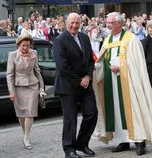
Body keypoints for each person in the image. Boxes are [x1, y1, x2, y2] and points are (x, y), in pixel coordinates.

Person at [93, 12, 152, 156]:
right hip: (111, 82)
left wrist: (120, 66)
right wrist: (94, 68)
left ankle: (139, 141)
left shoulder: (131, 39)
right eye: (107, 23)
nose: (107, 25)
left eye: (110, 23)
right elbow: (102, 60)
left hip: (129, 82)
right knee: (117, 111)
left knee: (132, 109)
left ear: (119, 24)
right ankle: (123, 140)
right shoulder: (107, 40)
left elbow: (137, 63)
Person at [53, 12, 98, 158]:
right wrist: (79, 80)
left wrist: (88, 76)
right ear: (66, 23)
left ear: (80, 23)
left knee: (92, 113)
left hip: (85, 83)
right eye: (72, 22)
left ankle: (82, 144)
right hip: (68, 85)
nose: (74, 25)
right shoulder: (60, 40)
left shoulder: (84, 37)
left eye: (77, 23)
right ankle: (69, 149)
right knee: (70, 118)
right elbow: (62, 66)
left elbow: (91, 61)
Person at [6, 34, 44, 150]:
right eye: (23, 46)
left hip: (32, 86)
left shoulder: (34, 53)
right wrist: (11, 91)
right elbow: (9, 75)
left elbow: (37, 71)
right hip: (18, 87)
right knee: (21, 114)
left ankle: (26, 137)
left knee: (30, 113)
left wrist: (41, 87)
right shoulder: (12, 55)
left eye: (27, 45)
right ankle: (24, 134)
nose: (25, 48)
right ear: (18, 45)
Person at [141, 20, 152, 86]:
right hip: (150, 69)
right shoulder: (145, 41)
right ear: (147, 29)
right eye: (151, 27)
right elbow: (143, 56)